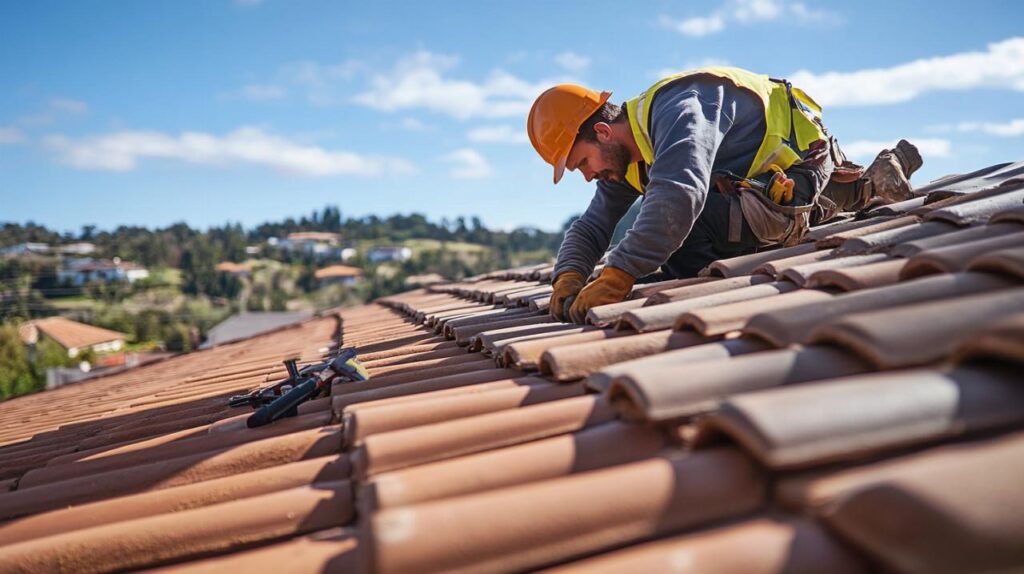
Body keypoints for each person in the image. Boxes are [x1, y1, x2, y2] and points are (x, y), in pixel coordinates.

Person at [527, 66, 922, 323]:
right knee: (672, 236)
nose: (587, 176)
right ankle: (863, 184)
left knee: (680, 226)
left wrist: (619, 274)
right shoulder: (626, 159)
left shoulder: (679, 109)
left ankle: (863, 186)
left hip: (800, 172)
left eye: (581, 163)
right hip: (759, 186)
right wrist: (569, 275)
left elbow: (678, 197)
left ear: (601, 132)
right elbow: (594, 224)